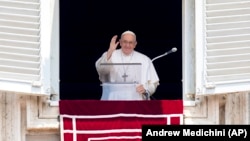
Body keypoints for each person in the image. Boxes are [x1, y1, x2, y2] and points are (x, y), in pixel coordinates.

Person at [95, 30, 159, 100]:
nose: (127, 45)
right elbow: (102, 70)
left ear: (135, 44)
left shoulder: (145, 59)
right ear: (120, 42)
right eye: (125, 42)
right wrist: (110, 50)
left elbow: (153, 83)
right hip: (113, 99)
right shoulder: (110, 55)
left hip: (136, 100)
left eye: (130, 42)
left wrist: (146, 89)